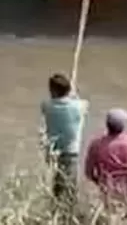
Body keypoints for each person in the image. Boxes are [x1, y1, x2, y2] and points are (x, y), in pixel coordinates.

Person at [40, 74, 88, 212]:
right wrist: (73, 95)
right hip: (71, 153)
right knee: (70, 187)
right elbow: (85, 105)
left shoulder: (47, 106)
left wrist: (68, 96)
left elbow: (47, 105)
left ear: (52, 91)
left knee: (57, 185)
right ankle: (68, 214)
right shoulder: (79, 106)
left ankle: (55, 211)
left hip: (53, 151)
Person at [85, 108, 127, 204]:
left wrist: (100, 183)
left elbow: (88, 173)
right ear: (124, 126)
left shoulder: (96, 144)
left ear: (107, 125)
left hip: (107, 188)